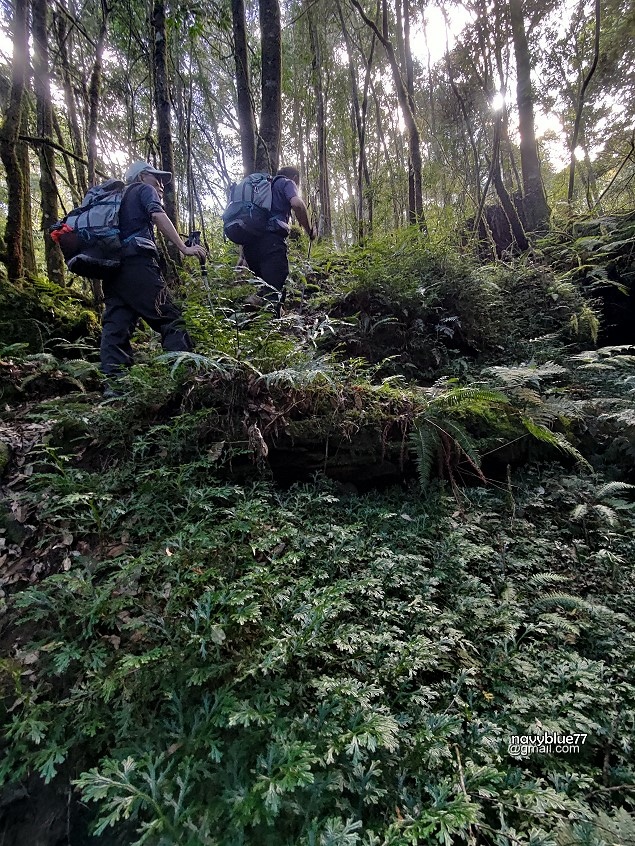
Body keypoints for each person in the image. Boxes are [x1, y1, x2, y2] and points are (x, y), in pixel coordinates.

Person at [99, 160, 207, 396]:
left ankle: (114, 388)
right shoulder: (142, 190)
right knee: (171, 318)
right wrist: (183, 247)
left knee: (116, 324)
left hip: (113, 269)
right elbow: (157, 215)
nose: (160, 185)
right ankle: (185, 379)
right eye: (155, 178)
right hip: (138, 264)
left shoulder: (117, 199)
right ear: (141, 177)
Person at [241, 166, 316, 317]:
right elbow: (297, 204)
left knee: (268, 285)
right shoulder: (287, 183)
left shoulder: (261, 188)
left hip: (250, 247)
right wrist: (309, 230)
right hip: (271, 243)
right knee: (274, 291)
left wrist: (242, 257)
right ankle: (273, 331)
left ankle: (257, 306)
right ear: (295, 178)